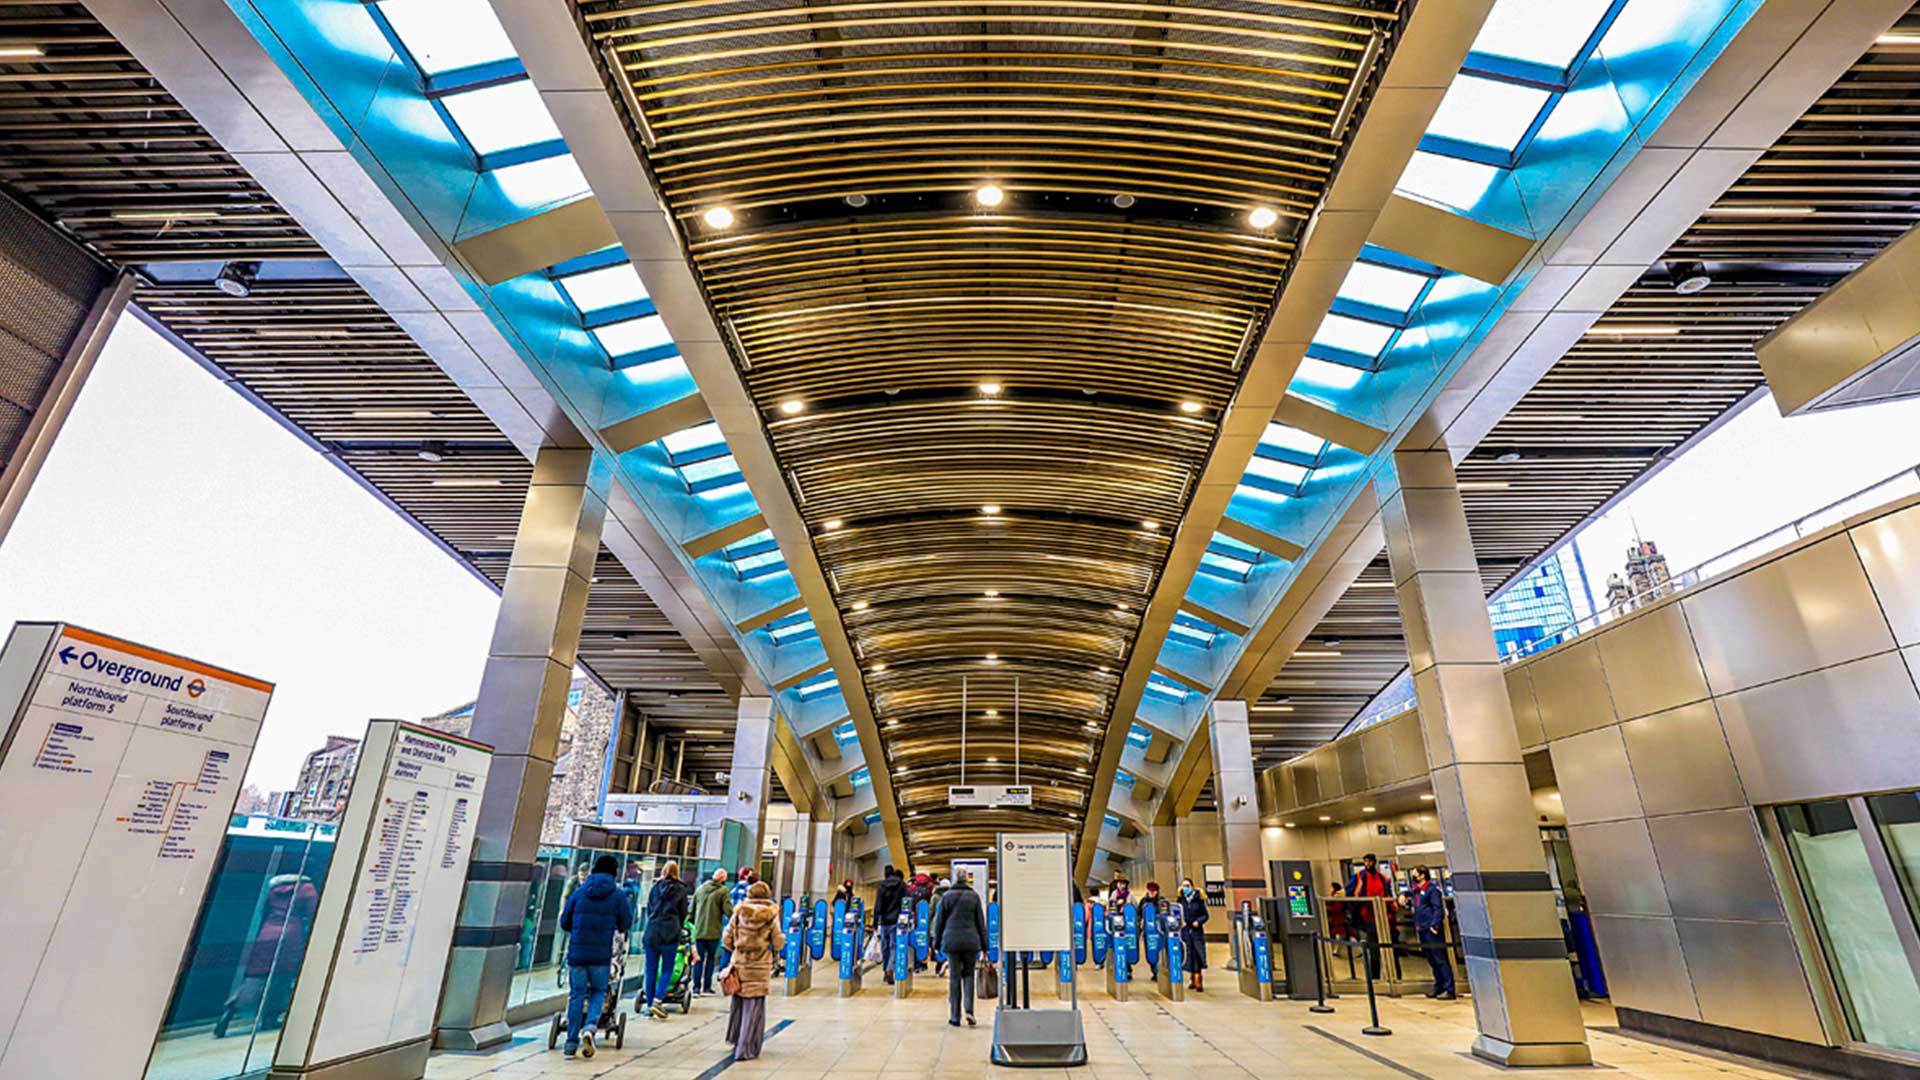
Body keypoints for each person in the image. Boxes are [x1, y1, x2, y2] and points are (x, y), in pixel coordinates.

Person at [557, 854, 633, 1059]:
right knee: (600, 991)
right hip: (601, 954)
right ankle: (590, 1027)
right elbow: (626, 923)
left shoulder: (580, 893)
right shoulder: (617, 895)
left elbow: (564, 921)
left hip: (577, 954)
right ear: (614, 872)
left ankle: (570, 1043)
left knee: (576, 994)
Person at [721, 880, 786, 1060]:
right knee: (754, 1007)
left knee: (738, 1003)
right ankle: (746, 1048)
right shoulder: (771, 915)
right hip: (759, 966)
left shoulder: (739, 912)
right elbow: (777, 942)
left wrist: (738, 947)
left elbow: (726, 939)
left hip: (740, 963)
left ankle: (734, 1039)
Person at [932, 870, 988, 1027]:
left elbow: (939, 922)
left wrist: (936, 943)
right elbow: (980, 922)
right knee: (969, 975)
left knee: (955, 978)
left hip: (952, 942)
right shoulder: (974, 896)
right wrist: (985, 946)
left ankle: (955, 1017)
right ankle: (969, 1010)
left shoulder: (946, 897)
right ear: (966, 881)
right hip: (971, 941)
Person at [639, 860, 690, 1019]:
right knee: (668, 968)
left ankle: (648, 1005)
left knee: (650, 969)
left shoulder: (655, 888)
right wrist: (679, 926)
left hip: (652, 931)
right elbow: (683, 912)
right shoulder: (681, 889)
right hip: (670, 932)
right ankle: (658, 999)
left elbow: (649, 908)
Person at [1410, 865, 1455, 1000]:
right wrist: (1402, 895)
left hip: (1431, 929)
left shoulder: (1432, 891)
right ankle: (1439, 986)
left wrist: (1434, 925)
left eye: (1415, 874)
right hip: (1422, 928)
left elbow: (1438, 909)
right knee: (1432, 960)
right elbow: (1410, 895)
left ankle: (1449, 988)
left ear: (1422, 875)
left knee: (1440, 959)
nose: (1413, 877)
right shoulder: (1418, 891)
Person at [1347, 854, 1394, 981]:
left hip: (1383, 915)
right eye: (1365, 862)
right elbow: (1349, 893)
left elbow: (1388, 893)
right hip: (1366, 916)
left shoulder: (1382, 878)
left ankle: (1394, 976)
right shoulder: (1359, 877)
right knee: (1373, 948)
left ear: (1374, 862)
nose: (1367, 864)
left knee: (1389, 947)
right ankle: (1375, 977)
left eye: (1369, 861)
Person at [690, 868, 732, 996]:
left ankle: (696, 987)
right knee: (710, 959)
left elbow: (691, 910)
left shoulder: (700, 889)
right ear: (723, 879)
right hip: (713, 931)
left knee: (698, 959)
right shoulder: (722, 891)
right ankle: (707, 987)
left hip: (698, 931)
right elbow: (728, 910)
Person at [556, 861, 591, 986]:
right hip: (572, 913)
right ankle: (562, 960)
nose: (582, 879)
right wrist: (563, 910)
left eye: (585, 876)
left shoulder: (591, 885)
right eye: (581, 876)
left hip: (583, 916)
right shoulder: (573, 882)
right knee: (567, 937)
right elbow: (565, 896)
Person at [875, 865, 907, 984]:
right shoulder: (902, 885)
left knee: (885, 947)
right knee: (894, 946)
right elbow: (907, 900)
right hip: (897, 921)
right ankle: (890, 969)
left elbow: (878, 904)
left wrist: (875, 922)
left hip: (884, 921)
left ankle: (885, 971)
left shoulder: (882, 886)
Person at [1177, 878, 1208, 992]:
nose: (1185, 888)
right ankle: (1192, 978)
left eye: (1187, 885)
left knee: (1198, 954)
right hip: (1185, 930)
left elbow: (1205, 915)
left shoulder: (1199, 899)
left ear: (1192, 886)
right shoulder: (1181, 900)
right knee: (1188, 954)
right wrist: (1180, 921)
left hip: (1196, 930)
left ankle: (1198, 979)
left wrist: (1198, 921)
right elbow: (1177, 912)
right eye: (1184, 886)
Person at [1136, 881, 1165, 979]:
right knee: (1150, 949)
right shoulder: (1144, 901)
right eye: (1150, 891)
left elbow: (1165, 913)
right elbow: (1138, 913)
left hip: (1159, 930)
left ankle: (1158, 971)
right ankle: (1154, 970)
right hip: (1147, 930)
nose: (1152, 893)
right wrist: (1140, 920)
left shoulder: (1161, 901)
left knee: (1159, 949)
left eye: (1154, 891)